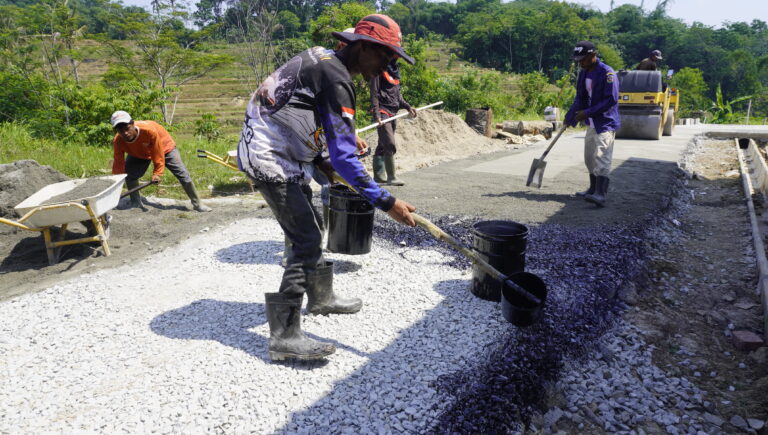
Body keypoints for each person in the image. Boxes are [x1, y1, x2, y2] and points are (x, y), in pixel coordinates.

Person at [237, 14, 417, 362]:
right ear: (364, 47)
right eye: (386, 56)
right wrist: (387, 201)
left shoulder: (323, 58)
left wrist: (322, 158)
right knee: (305, 239)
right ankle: (284, 337)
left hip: (284, 150)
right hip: (269, 156)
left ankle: (320, 298)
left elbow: (302, 112)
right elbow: (347, 160)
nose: (387, 65)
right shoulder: (335, 78)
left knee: (311, 228)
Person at [110, 111, 211, 212]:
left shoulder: (148, 131)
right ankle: (136, 202)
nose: (125, 133)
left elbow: (157, 153)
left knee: (182, 174)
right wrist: (116, 182)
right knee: (130, 175)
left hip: (164, 147)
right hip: (139, 152)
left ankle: (197, 204)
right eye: (120, 131)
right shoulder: (118, 141)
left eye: (127, 129)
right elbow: (118, 163)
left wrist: (157, 173)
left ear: (132, 124)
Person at [564, 41, 621, 207]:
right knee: (589, 157)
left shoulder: (607, 73)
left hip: (605, 122)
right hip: (591, 122)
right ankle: (592, 189)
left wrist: (586, 113)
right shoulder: (583, 73)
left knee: (602, 156)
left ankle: (600, 194)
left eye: (583, 59)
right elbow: (580, 98)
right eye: (578, 60)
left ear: (593, 56)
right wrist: (570, 117)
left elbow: (611, 99)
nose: (580, 63)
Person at [370, 59, 416, 186]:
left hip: (393, 111)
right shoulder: (378, 70)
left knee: (382, 144)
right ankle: (391, 177)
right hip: (383, 111)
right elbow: (374, 93)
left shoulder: (395, 72)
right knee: (389, 143)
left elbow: (397, 95)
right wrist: (377, 114)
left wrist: (407, 106)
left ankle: (379, 176)